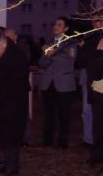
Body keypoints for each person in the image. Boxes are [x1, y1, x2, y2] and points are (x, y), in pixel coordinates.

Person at [0, 30, 29, 176]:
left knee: (12, 132)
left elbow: (14, 85)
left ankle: (12, 167)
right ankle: (6, 160)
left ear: (3, 44)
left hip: (14, 102)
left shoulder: (17, 57)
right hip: (2, 100)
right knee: (3, 131)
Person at [39, 17, 77, 150]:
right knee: (49, 113)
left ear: (66, 28)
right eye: (55, 24)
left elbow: (69, 60)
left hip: (64, 84)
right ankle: (47, 141)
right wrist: (48, 55)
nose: (55, 26)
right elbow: (41, 63)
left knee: (64, 114)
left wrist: (52, 54)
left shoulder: (71, 43)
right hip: (48, 83)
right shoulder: (48, 43)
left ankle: (62, 142)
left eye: (59, 25)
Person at [77, 14, 103, 165]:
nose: (97, 23)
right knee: (98, 121)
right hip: (97, 85)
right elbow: (83, 62)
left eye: (100, 19)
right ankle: (98, 153)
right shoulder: (89, 39)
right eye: (94, 20)